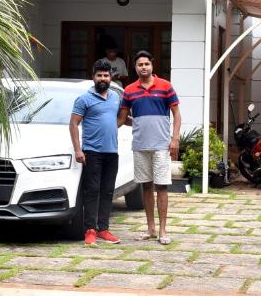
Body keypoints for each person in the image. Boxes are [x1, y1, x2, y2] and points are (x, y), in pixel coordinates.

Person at [118, 50, 180, 245]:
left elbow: (177, 114)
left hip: (162, 145)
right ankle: (150, 229)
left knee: (161, 186)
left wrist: (175, 139)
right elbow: (122, 119)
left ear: (152, 65)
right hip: (140, 145)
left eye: (146, 64)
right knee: (146, 186)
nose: (143, 67)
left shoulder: (165, 86)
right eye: (139, 65)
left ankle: (163, 230)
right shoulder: (129, 90)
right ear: (135, 68)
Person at [69, 59, 124, 246]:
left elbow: (122, 119)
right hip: (92, 152)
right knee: (92, 191)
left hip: (112, 152)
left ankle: (103, 229)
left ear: (110, 78)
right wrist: (78, 150)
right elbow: (74, 123)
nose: (102, 78)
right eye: (99, 75)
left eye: (106, 75)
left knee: (107, 191)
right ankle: (90, 230)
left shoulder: (116, 98)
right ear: (93, 77)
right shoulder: (84, 99)